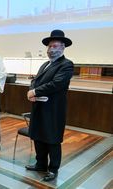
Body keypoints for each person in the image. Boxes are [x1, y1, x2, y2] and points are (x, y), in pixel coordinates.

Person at [25, 29, 74, 181]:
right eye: (50, 46)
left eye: (55, 46)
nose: (51, 49)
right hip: (39, 107)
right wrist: (32, 91)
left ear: (62, 47)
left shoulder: (66, 65)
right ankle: (40, 164)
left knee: (52, 139)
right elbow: (35, 80)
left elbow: (56, 84)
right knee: (38, 137)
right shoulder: (45, 64)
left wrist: (35, 92)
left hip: (53, 110)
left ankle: (53, 169)